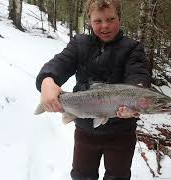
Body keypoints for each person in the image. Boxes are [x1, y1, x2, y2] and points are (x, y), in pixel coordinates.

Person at [35, 0, 151, 179]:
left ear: (119, 18)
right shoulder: (79, 44)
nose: (105, 26)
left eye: (111, 19)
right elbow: (60, 62)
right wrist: (47, 80)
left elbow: (139, 76)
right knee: (82, 176)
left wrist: (139, 91)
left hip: (122, 133)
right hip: (85, 129)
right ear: (89, 20)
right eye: (98, 21)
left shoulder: (133, 48)